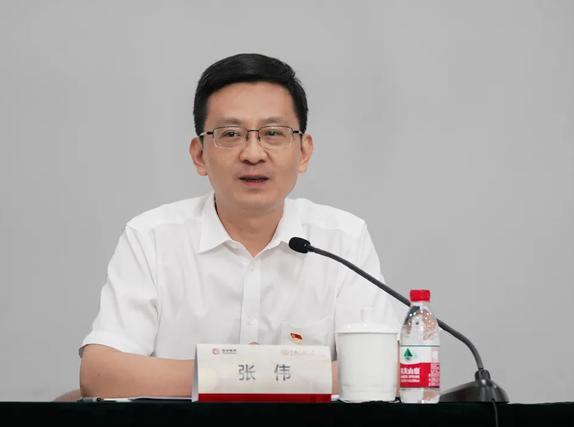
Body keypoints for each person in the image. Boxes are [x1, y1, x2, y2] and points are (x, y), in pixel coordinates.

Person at [79, 53, 401, 398]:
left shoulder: (342, 239)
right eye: (231, 134)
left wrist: (227, 375)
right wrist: (264, 374)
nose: (253, 153)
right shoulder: (151, 238)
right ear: (200, 155)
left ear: (303, 152)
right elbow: (100, 373)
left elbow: (386, 370)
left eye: (273, 133)